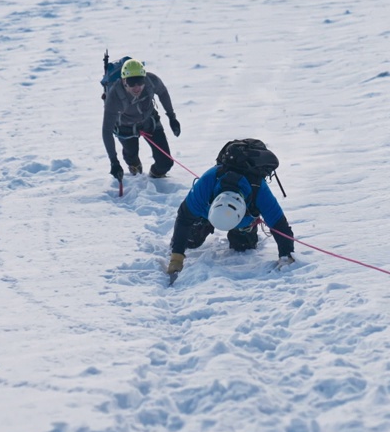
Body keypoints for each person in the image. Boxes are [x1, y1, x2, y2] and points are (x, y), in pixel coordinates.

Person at [167, 142, 295, 276]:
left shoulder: (259, 191)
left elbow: (280, 226)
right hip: (207, 213)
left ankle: (245, 229)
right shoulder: (207, 183)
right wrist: (177, 257)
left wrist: (286, 256)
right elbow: (184, 218)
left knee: (243, 247)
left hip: (244, 219)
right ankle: (203, 223)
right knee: (190, 241)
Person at [102, 59, 180, 179]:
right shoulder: (114, 96)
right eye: (132, 82)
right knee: (132, 160)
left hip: (150, 122)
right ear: (124, 81)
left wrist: (172, 118)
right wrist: (114, 162)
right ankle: (134, 169)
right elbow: (107, 131)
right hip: (125, 128)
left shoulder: (151, 81)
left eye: (140, 81)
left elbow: (163, 93)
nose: (137, 87)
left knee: (165, 163)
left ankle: (156, 179)